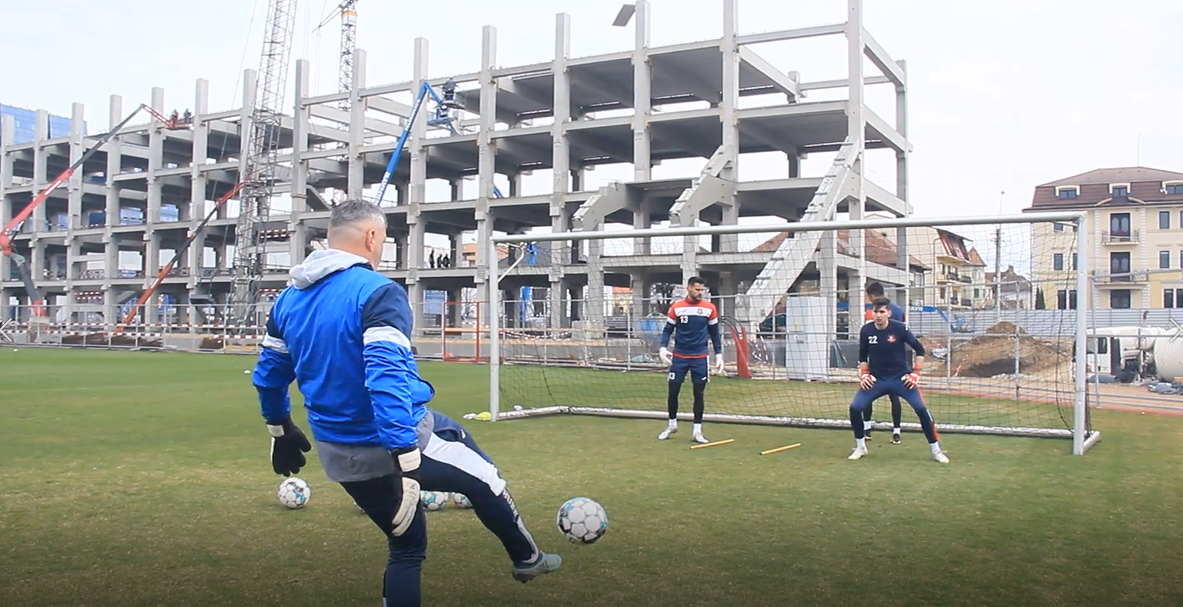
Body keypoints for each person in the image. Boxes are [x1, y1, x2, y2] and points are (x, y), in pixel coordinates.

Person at [251, 199, 560, 607]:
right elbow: (386, 377)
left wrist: (280, 428)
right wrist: (404, 452)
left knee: (406, 549)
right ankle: (528, 559)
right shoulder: (379, 293)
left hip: (338, 455)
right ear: (372, 236)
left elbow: (269, 375)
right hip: (397, 442)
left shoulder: (289, 300)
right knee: (488, 480)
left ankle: (525, 558)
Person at [848, 297, 949, 464]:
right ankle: (860, 446)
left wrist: (916, 372)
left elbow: (920, 350)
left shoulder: (900, 328)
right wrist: (864, 373)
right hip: (877, 379)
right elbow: (862, 356)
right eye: (875, 312)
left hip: (901, 379)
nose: (878, 315)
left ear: (888, 313)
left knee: (922, 410)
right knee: (855, 408)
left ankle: (936, 450)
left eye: (882, 312)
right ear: (871, 313)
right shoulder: (866, 330)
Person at [657, 276, 724, 443]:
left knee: (698, 393)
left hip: (700, 357)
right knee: (673, 391)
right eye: (697, 289)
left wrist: (719, 355)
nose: (700, 292)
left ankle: (697, 431)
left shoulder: (709, 308)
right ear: (689, 288)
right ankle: (672, 424)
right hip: (679, 357)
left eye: (702, 290)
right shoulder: (677, 307)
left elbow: (715, 333)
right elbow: (667, 330)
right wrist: (663, 349)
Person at [861, 282, 907, 444]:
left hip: (877, 361)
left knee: (867, 393)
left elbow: (867, 335)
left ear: (872, 295)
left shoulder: (872, 312)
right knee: (894, 396)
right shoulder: (899, 310)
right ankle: (896, 431)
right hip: (896, 360)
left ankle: (866, 429)